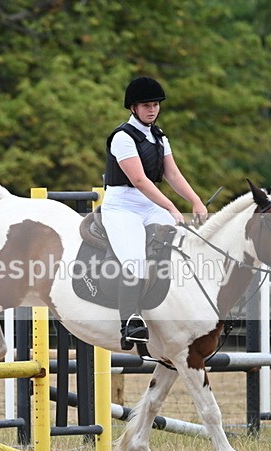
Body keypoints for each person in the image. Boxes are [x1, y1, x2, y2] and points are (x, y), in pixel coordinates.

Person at [102, 76, 207, 350]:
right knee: (135, 258)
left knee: (180, 245)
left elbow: (171, 173)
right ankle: (130, 322)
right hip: (122, 205)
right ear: (133, 107)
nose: (152, 109)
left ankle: (172, 308)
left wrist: (195, 200)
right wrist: (171, 207)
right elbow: (139, 180)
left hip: (149, 204)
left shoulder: (159, 137)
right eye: (146, 105)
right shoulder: (122, 137)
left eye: (156, 105)